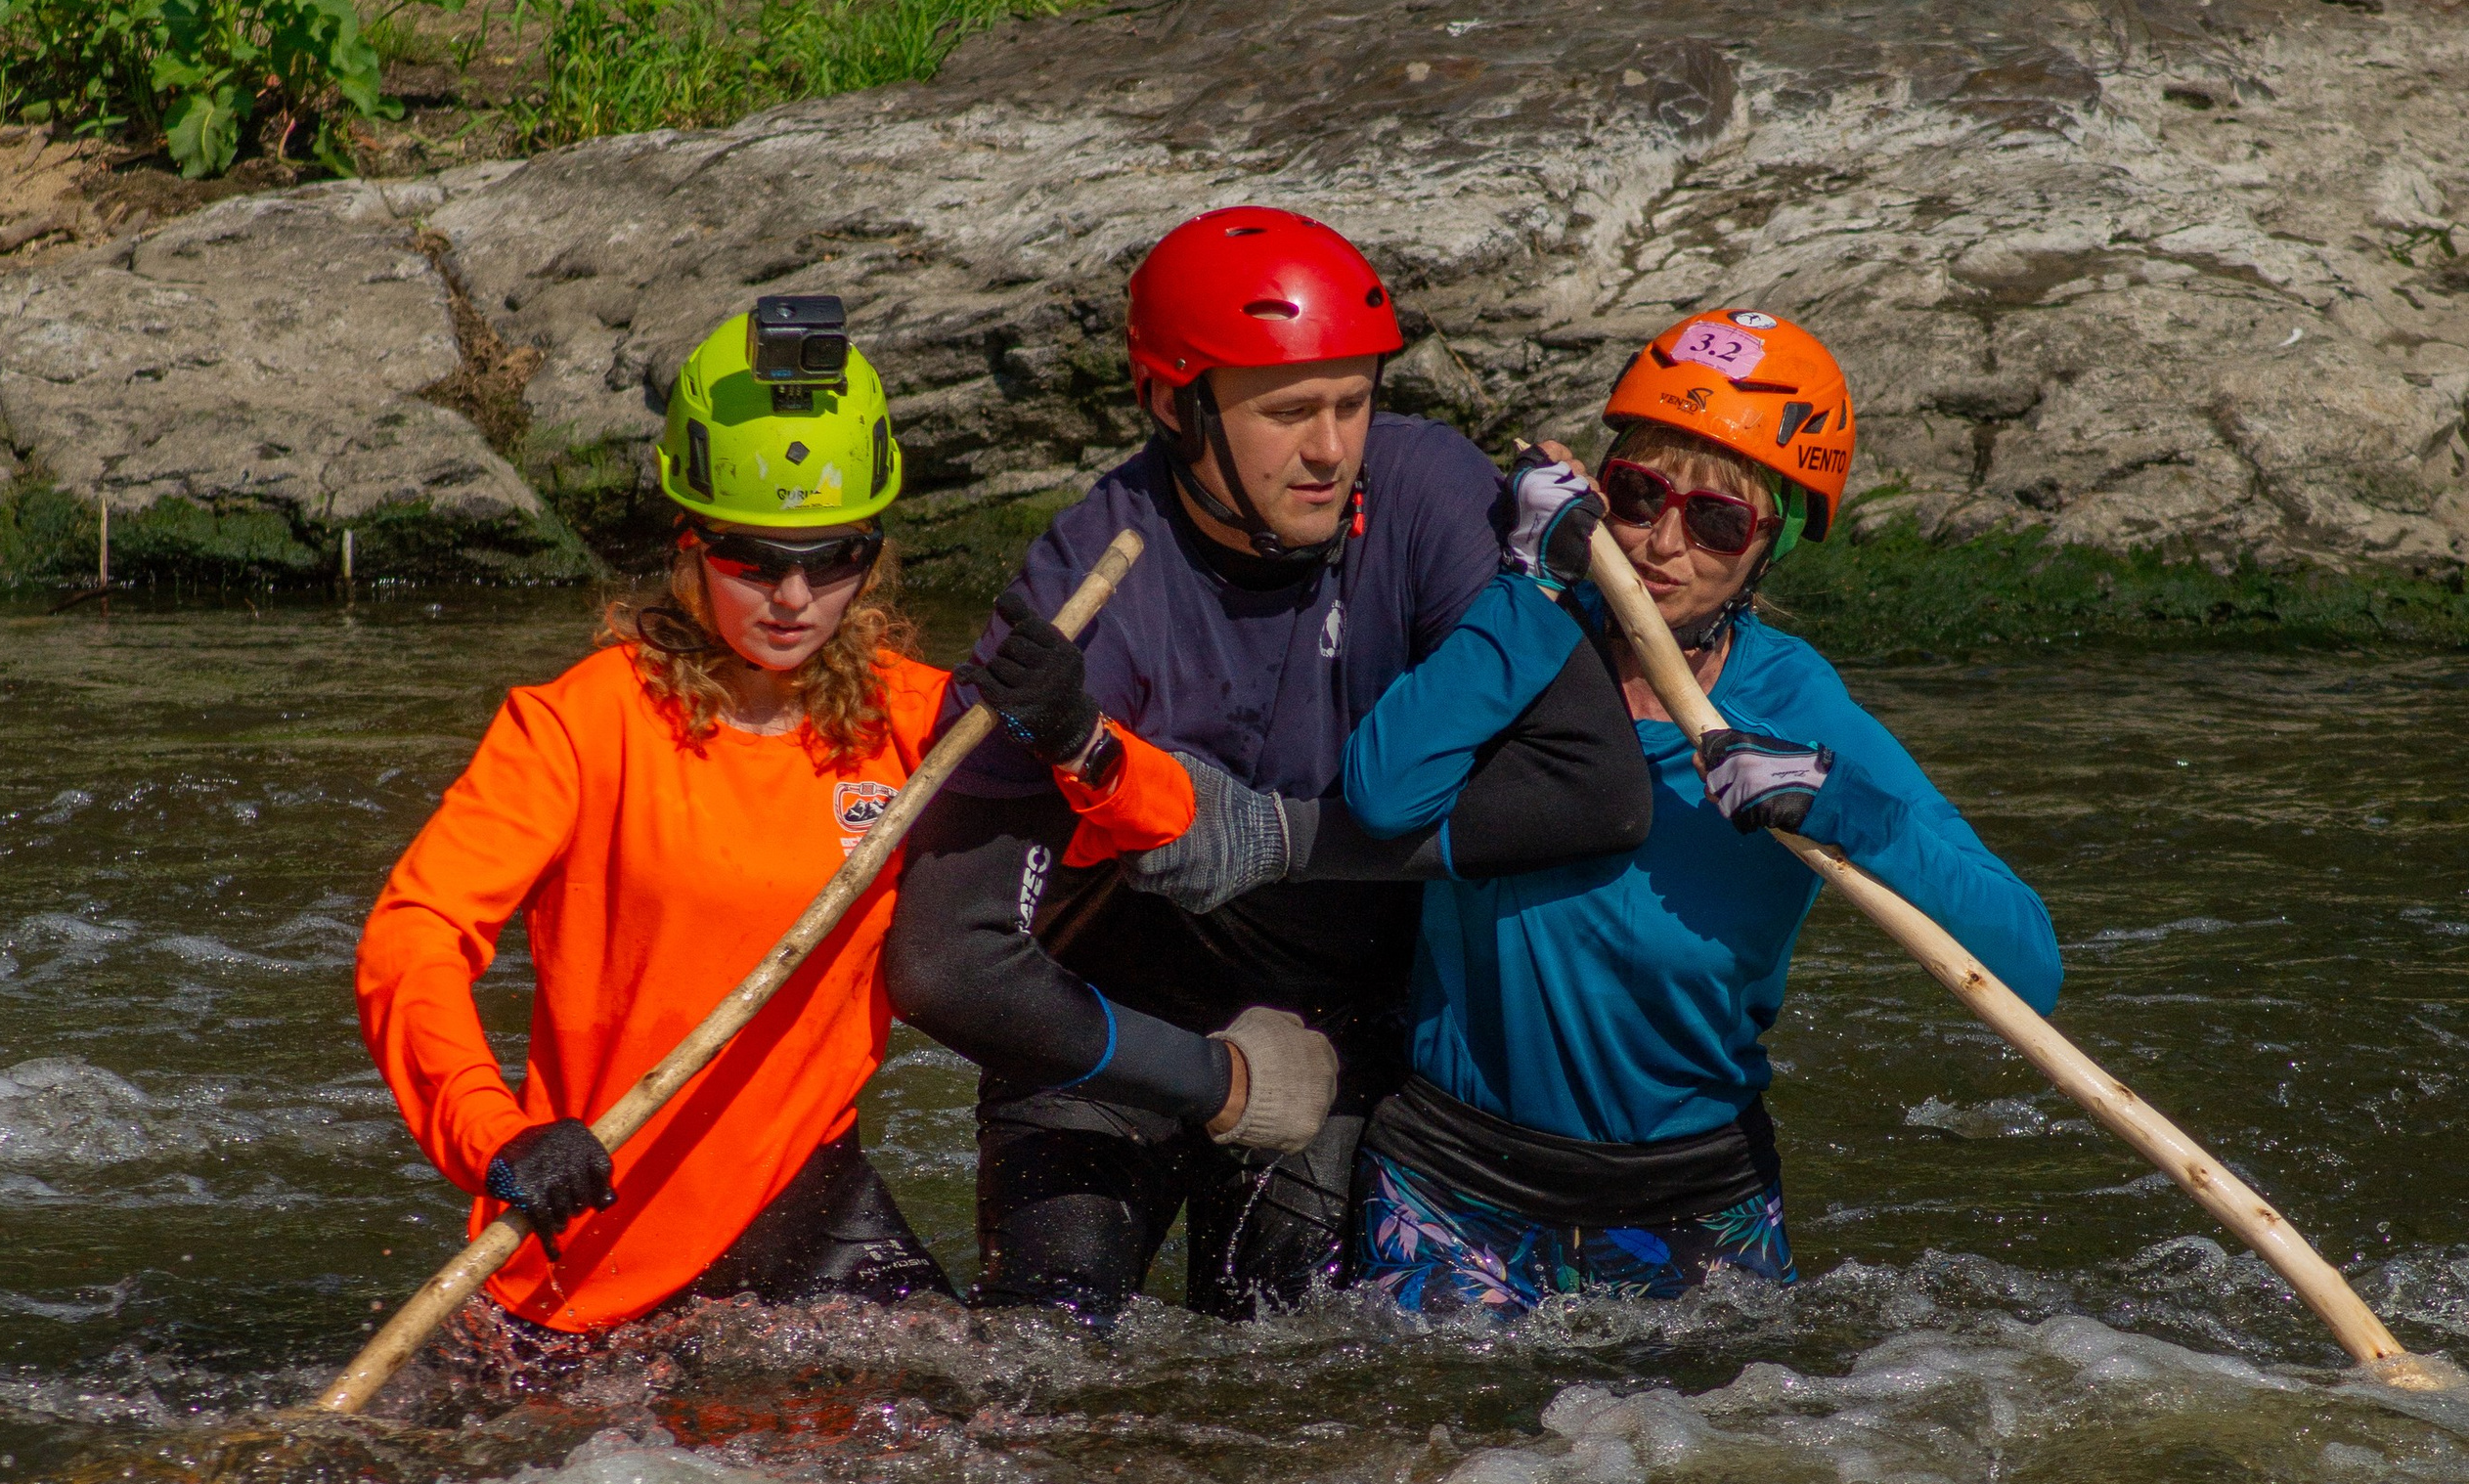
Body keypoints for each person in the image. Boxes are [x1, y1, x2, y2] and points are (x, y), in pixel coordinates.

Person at [355, 297, 1196, 1339]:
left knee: (983, 1433)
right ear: (689, 541)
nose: (795, 595)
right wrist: (495, 1133)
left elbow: (1167, 826)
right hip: (591, 1231)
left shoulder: (922, 724)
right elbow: (413, 938)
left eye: (834, 556)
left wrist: (1078, 734)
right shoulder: (578, 725)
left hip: (809, 1203)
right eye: (755, 557)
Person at [883, 206, 1651, 1324]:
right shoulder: (1086, 584)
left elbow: (1597, 793)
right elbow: (945, 964)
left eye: (1353, 401)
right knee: (1038, 1352)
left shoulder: (1432, 493)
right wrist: (1216, 1081)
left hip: (1338, 1044)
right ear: (1171, 404)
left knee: (1295, 1395)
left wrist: (1287, 839)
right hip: (1113, 1031)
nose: (1332, 448)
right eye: (1289, 411)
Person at [1336, 306, 2063, 1313]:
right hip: (1457, 1179)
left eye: (1716, 520)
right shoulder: (1518, 632)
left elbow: (2029, 961)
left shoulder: (1796, 706)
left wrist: (1842, 805)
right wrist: (1525, 582)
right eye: (1636, 495)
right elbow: (1380, 792)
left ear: (1766, 546)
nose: (1659, 542)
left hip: (1692, 1197)